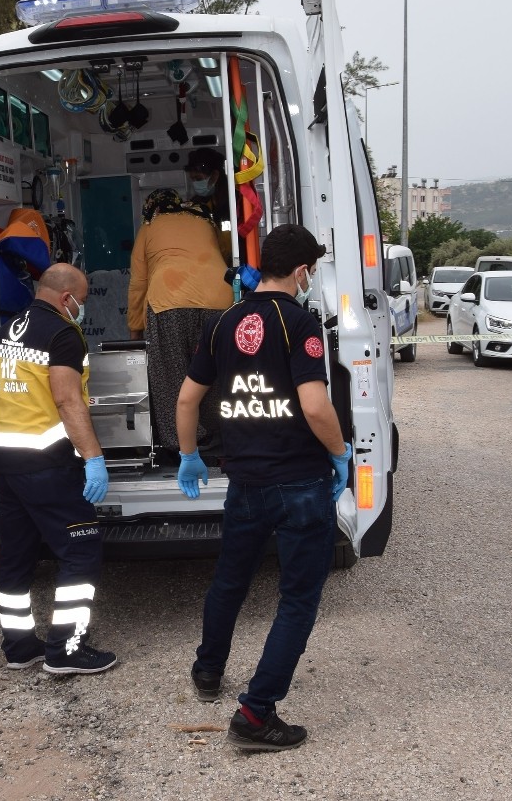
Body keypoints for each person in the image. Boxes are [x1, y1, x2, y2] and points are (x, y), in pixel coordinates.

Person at [173, 224, 351, 752]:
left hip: (244, 481)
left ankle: (208, 673)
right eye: (312, 269)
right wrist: (340, 454)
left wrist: (187, 455)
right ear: (301, 271)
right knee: (297, 598)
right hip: (299, 481)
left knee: (230, 581)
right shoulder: (302, 323)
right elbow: (315, 405)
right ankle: (255, 714)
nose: (312, 277)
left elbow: (186, 399)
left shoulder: (224, 323)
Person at [0, 263, 117, 676]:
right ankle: (66, 649)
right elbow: (66, 401)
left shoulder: (10, 327)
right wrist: (93, 458)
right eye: (84, 299)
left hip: (3, 458)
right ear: (67, 298)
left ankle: (19, 646)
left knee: (18, 554)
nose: (83, 307)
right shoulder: (62, 334)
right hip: (44, 461)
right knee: (80, 548)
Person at [126, 188, 233, 455]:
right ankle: (218, 437)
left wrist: (135, 330)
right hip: (219, 299)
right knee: (214, 371)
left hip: (169, 301)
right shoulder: (204, 219)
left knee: (171, 373)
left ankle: (182, 444)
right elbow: (226, 254)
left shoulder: (150, 227)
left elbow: (138, 283)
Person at [185, 147, 231, 234]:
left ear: (215, 175)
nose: (195, 183)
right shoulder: (197, 203)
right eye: (192, 179)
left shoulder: (234, 202)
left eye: (198, 179)